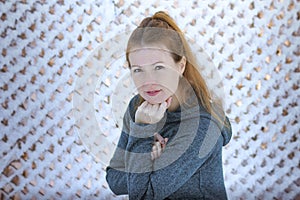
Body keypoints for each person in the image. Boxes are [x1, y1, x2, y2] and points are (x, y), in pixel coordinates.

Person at [106, 11, 232, 200]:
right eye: (138, 70)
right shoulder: (138, 108)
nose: (148, 81)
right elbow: (114, 179)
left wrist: (143, 133)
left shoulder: (202, 126)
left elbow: (143, 195)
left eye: (159, 67)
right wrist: (151, 162)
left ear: (180, 66)